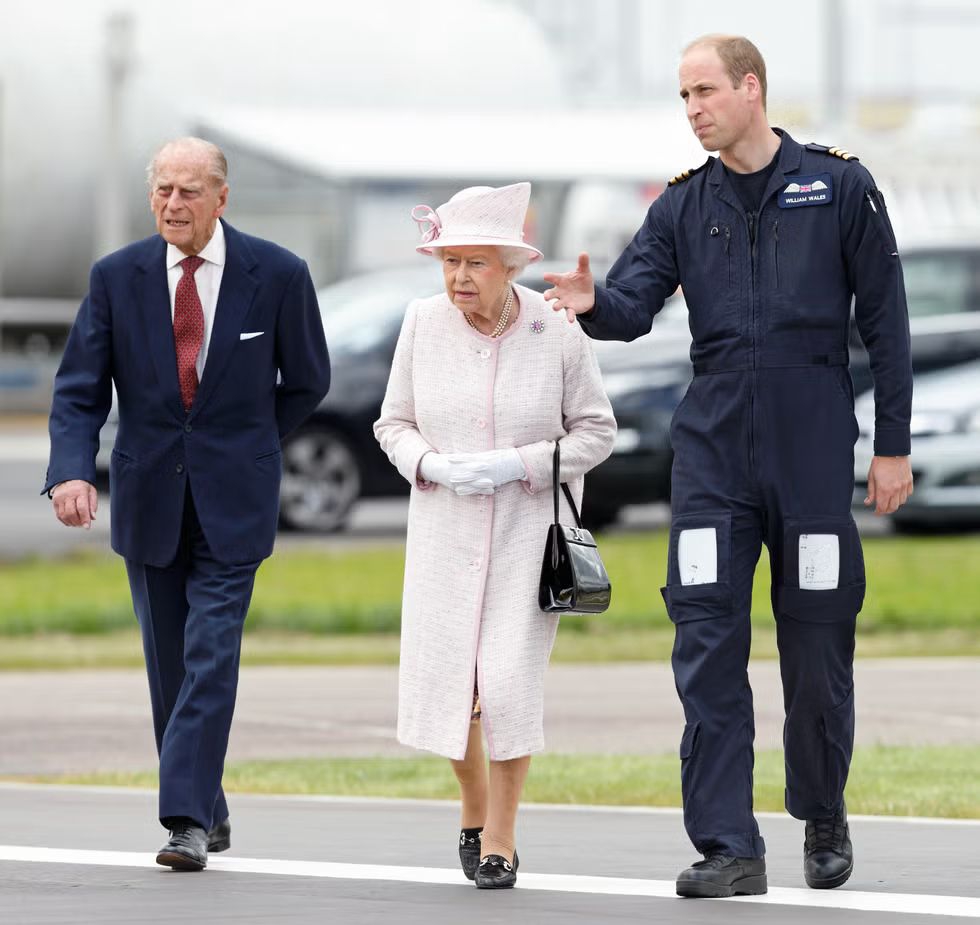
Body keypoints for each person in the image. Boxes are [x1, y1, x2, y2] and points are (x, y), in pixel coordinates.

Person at [544, 35, 913, 898]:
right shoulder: (682, 205)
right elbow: (632, 304)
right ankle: (727, 845)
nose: (693, 109)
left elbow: (887, 321)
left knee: (816, 642)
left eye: (705, 91)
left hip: (811, 443)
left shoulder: (839, 187)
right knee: (706, 641)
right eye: (684, 95)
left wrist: (891, 444)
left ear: (752, 89)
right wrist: (595, 304)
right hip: (712, 451)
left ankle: (822, 812)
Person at [44, 137, 331, 871]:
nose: (173, 204)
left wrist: (250, 443)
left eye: (189, 191)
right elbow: (79, 389)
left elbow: (308, 379)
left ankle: (184, 822)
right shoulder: (117, 277)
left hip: (236, 500)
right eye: (163, 190)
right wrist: (71, 471)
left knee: (209, 654)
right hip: (148, 496)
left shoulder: (279, 274)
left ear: (221, 198)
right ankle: (210, 802)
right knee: (170, 667)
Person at [374, 182, 616, 889]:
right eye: (450, 262)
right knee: (451, 686)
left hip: (525, 536)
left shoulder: (556, 327)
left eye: (475, 263)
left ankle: (501, 835)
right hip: (444, 533)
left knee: (506, 685)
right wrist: (432, 465)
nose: (459, 278)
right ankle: (473, 803)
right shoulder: (422, 322)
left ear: (510, 265)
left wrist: (520, 464)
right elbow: (393, 423)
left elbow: (597, 432)